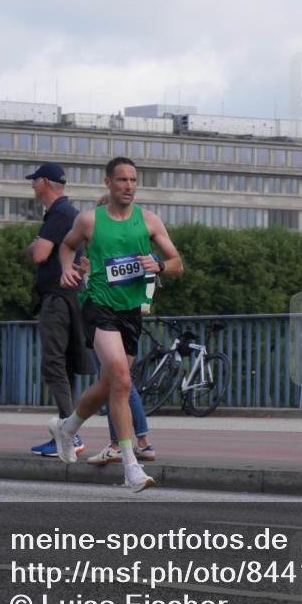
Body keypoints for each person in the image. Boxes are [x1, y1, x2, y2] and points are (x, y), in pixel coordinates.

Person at [50, 156, 183, 492]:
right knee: (123, 381)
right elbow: (66, 246)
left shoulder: (149, 221)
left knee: (111, 384)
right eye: (122, 180)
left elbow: (177, 262)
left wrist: (159, 266)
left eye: (134, 181)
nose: (129, 187)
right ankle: (130, 467)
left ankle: (67, 429)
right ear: (108, 183)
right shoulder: (90, 220)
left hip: (130, 312)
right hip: (97, 306)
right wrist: (67, 268)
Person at [80, 193, 155, 467]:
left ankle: (125, 443)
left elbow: (111, 286)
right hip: (121, 315)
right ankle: (137, 442)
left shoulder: (121, 245)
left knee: (118, 382)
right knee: (119, 381)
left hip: (115, 317)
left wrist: (88, 275)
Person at [24, 162, 93, 458]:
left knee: (54, 364)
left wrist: (33, 246)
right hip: (72, 297)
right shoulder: (71, 213)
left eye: (34, 181)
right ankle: (68, 432)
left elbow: (39, 254)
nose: (31, 186)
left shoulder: (58, 213)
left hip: (57, 297)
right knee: (65, 365)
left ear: (45, 183)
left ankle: (69, 436)